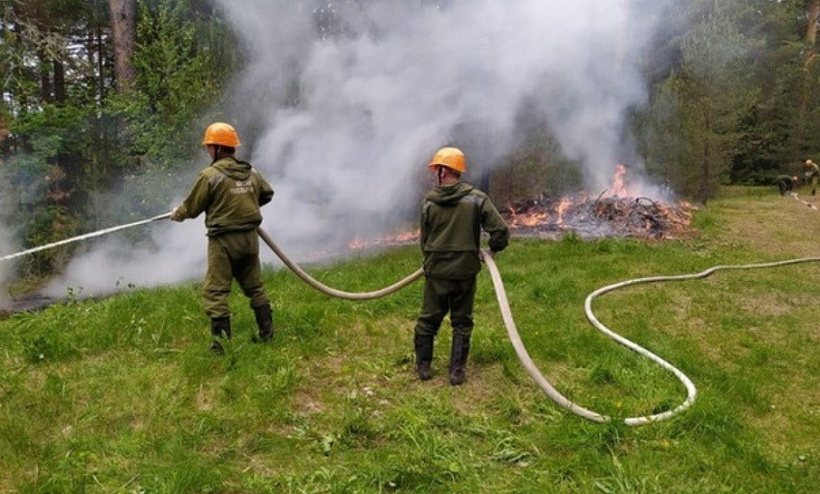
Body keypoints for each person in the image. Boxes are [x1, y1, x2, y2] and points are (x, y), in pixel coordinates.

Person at [170, 122, 275, 354]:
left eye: (209, 146)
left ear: (217, 148)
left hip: (224, 242)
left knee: (215, 292)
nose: (207, 150)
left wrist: (177, 214)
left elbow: (192, 208)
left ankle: (221, 347)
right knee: (254, 286)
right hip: (249, 240)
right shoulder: (251, 172)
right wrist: (243, 206)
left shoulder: (210, 176)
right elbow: (267, 194)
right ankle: (267, 334)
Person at [413, 146, 510, 385]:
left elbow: (424, 240)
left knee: (428, 319)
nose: (436, 173)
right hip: (465, 270)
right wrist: (492, 249)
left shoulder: (428, 202)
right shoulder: (477, 199)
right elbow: (500, 231)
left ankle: (424, 367)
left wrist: (430, 260)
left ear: (443, 171)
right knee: (462, 321)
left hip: (436, 271)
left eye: (437, 169)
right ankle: (456, 372)